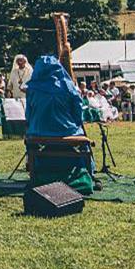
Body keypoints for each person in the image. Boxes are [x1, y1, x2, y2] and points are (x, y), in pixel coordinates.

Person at [23, 55, 92, 195]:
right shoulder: (68, 86)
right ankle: (87, 174)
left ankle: (38, 171)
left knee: (30, 140)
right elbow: (77, 111)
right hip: (66, 130)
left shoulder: (32, 88)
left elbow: (29, 114)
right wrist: (75, 123)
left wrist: (33, 126)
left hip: (39, 131)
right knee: (85, 142)